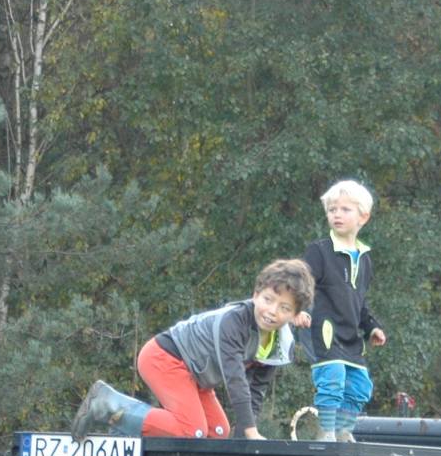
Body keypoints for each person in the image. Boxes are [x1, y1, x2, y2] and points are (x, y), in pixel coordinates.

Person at [70, 259, 315, 441]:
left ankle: (135, 431)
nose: (272, 311)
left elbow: (255, 392)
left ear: (295, 314)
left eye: (284, 308)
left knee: (217, 432)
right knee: (192, 430)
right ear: (255, 295)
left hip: (196, 377)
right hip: (165, 357)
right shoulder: (234, 321)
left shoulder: (279, 346)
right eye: (268, 300)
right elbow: (235, 380)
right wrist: (252, 432)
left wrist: (245, 444)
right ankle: (109, 406)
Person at [303, 179, 386, 441]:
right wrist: (298, 309)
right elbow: (301, 284)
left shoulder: (365, 258)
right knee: (333, 377)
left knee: (361, 385)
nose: (336, 214)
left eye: (345, 209)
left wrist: (372, 327)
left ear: (363, 217)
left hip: (350, 335)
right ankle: (326, 431)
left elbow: (359, 301)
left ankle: (342, 432)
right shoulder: (319, 251)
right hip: (324, 329)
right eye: (332, 210)